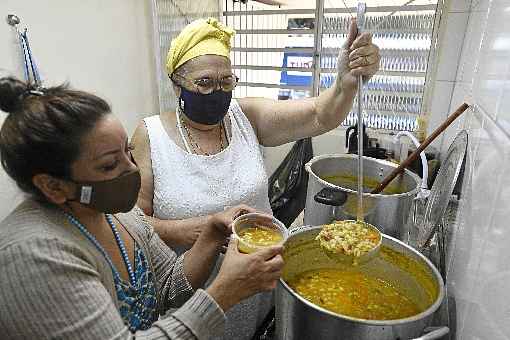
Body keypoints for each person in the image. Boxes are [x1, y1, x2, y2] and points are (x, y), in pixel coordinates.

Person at [131, 17, 379, 339]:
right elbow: (134, 222)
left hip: (260, 283)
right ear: (177, 84)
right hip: (192, 295)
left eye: (226, 81)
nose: (217, 92)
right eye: (204, 83)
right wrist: (197, 231)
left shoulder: (246, 117)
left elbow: (320, 114)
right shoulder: (150, 136)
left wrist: (344, 83)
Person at [0, 77, 284, 339]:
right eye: (110, 165)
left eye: (128, 151)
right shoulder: (33, 255)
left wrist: (210, 235)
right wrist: (225, 292)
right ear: (53, 186)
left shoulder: (118, 215)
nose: (131, 169)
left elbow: (170, 287)